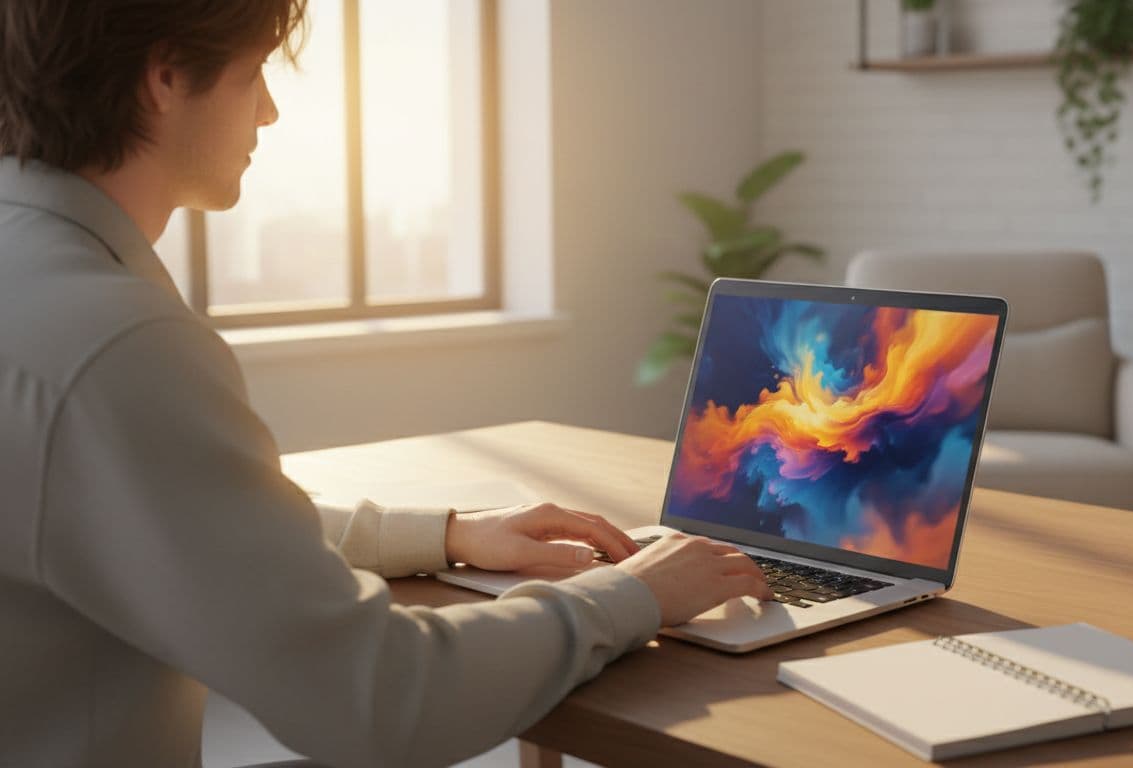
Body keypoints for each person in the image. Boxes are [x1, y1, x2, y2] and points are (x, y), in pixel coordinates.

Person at [0, 1, 772, 766]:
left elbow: (178, 519)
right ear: (165, 76)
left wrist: (444, 535)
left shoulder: (32, 278)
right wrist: (635, 594)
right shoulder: (114, 342)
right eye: (253, 74)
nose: (268, 112)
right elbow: (380, 699)